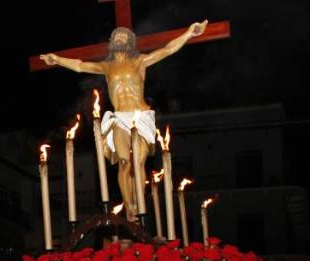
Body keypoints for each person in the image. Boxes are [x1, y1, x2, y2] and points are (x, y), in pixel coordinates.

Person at [40, 21, 208, 220]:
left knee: (138, 163)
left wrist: (189, 33)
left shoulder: (140, 62)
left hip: (140, 116)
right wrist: (57, 59)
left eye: (123, 36)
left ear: (130, 42)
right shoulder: (106, 66)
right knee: (123, 161)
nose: (119, 38)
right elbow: (79, 65)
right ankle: (129, 206)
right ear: (112, 43)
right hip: (119, 118)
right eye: (116, 36)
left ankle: (139, 201)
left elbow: (167, 50)